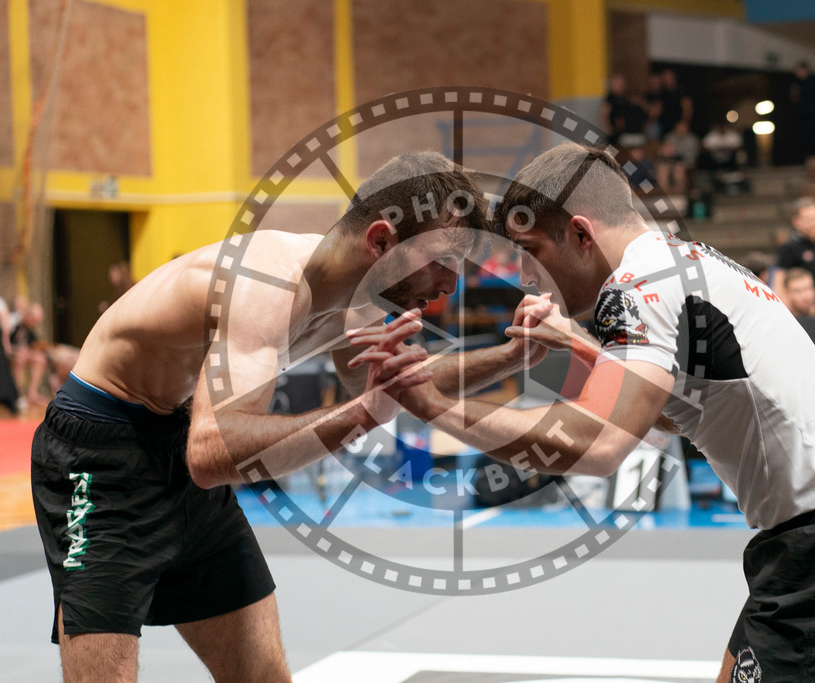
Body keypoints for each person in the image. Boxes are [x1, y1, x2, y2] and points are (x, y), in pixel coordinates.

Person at [359, 142, 815, 682]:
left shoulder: (635, 290)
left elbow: (601, 444)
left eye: (532, 254)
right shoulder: (680, 261)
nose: (529, 278)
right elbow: (667, 413)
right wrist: (579, 344)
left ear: (581, 234)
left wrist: (434, 406)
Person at [30, 151, 507, 682]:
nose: (450, 286)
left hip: (177, 439)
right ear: (380, 242)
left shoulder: (364, 302)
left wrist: (515, 353)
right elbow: (211, 454)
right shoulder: (264, 284)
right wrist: (362, 416)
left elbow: (400, 389)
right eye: (441, 261)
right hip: (100, 451)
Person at [772, 197, 815, 296]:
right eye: (809, 219)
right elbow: (778, 281)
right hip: (799, 303)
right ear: (796, 222)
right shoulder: (789, 246)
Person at [782, 268, 815, 349]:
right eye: (798, 291)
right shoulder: (782, 324)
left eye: (809, 288)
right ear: (786, 293)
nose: (806, 295)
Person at [602, 73, 648, 149]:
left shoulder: (624, 97)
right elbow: (605, 112)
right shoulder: (610, 98)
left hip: (625, 132)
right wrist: (608, 126)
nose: (621, 86)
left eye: (622, 84)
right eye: (618, 84)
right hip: (615, 131)